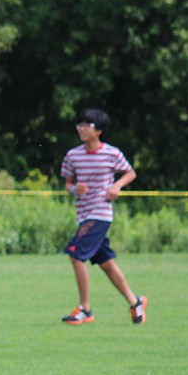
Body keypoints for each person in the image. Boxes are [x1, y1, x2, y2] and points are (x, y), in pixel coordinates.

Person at [59, 109, 143, 325]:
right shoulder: (73, 155)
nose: (81, 129)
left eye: (86, 125)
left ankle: (85, 309)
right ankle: (135, 302)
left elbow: (130, 173)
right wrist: (75, 189)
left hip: (100, 214)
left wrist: (117, 186)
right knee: (106, 264)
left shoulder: (111, 153)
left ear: (99, 131)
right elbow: (68, 184)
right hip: (83, 214)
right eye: (79, 125)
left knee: (76, 255)